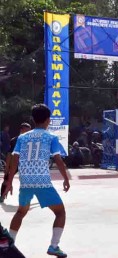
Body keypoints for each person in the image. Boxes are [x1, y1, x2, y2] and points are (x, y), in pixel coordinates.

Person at [1, 104, 70, 257]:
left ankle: (9, 246)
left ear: (32, 119)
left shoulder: (22, 137)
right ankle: (54, 246)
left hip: (25, 181)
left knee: (20, 212)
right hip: (42, 181)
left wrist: (9, 181)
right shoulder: (51, 137)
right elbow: (58, 160)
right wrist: (66, 178)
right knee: (60, 212)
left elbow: (14, 160)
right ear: (48, 120)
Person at [0, 123, 31, 203]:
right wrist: (7, 168)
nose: (28, 132)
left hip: (25, 164)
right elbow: (9, 154)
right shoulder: (15, 140)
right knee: (6, 180)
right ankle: (2, 196)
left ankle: (28, 198)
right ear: (21, 130)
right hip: (13, 163)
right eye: (26, 130)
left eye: (29, 130)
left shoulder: (31, 141)